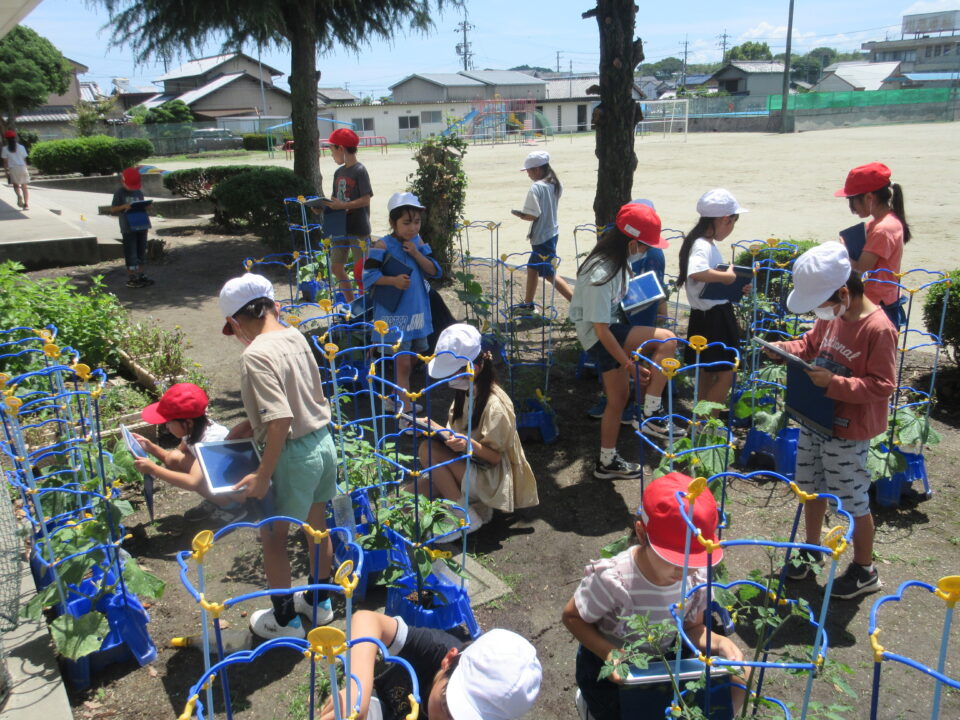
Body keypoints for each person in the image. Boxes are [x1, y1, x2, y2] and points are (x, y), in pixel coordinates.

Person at [766, 242, 896, 599]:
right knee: (810, 487)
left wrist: (835, 383)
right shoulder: (832, 316)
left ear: (843, 292)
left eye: (822, 303)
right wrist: (784, 350)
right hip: (816, 418)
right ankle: (812, 550)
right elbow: (810, 345)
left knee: (852, 498)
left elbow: (883, 386)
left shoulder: (878, 329)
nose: (820, 312)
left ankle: (865, 569)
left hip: (849, 430)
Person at [562, 472, 745, 720]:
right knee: (613, 711)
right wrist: (609, 653)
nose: (684, 571)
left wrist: (719, 642)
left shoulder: (696, 578)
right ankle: (589, 705)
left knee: (739, 679)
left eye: (693, 560)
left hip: (662, 661)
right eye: (673, 560)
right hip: (612, 665)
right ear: (641, 533)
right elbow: (572, 617)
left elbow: (692, 627)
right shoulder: (614, 580)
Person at [218, 273, 338, 638]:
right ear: (275, 306)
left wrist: (263, 475)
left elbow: (281, 419)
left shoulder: (254, 354)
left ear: (235, 321)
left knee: (273, 535)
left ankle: (285, 621)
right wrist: (251, 422)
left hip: (291, 455)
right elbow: (296, 395)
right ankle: (320, 603)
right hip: (322, 442)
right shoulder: (295, 335)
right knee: (317, 526)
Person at [568, 202, 680, 480]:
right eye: (646, 246)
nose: (647, 250)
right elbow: (601, 330)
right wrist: (629, 365)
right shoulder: (601, 273)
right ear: (632, 243)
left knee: (617, 400)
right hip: (601, 336)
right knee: (668, 340)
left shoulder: (618, 260)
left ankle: (606, 462)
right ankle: (652, 414)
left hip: (609, 329)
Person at [413, 324, 539, 533]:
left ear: (474, 368)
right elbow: (456, 434)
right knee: (411, 495)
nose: (449, 379)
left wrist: (468, 445)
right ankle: (472, 506)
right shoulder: (468, 391)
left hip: (490, 477)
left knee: (427, 450)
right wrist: (432, 427)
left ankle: (465, 515)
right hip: (468, 465)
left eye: (452, 373)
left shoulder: (495, 405)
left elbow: (495, 458)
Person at [320, 610, 542, 720]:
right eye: (446, 706)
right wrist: (358, 691)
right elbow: (367, 620)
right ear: (449, 661)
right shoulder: (436, 649)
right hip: (384, 706)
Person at [363, 192, 441, 411]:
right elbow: (367, 277)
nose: (412, 228)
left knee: (413, 357)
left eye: (416, 222)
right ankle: (405, 412)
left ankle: (394, 398)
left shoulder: (418, 242)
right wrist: (393, 281)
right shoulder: (382, 245)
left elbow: (434, 271)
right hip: (394, 314)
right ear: (393, 222)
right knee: (403, 362)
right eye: (406, 223)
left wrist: (416, 254)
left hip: (417, 312)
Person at [132, 383, 248, 523]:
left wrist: (153, 469)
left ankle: (232, 508)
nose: (166, 427)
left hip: (240, 490)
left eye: (169, 422)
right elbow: (172, 458)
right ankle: (217, 499)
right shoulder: (195, 429)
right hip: (223, 479)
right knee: (175, 458)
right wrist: (150, 447)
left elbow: (192, 482)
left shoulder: (209, 442)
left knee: (195, 476)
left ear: (188, 422)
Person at [676, 189, 750, 407]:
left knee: (706, 371)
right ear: (726, 219)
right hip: (715, 318)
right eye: (733, 223)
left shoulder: (701, 242)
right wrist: (727, 278)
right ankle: (711, 419)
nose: (731, 229)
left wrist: (735, 286)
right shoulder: (702, 244)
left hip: (704, 315)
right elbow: (697, 272)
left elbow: (706, 279)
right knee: (727, 371)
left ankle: (701, 419)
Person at [834, 162, 910, 328]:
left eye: (852, 200)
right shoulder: (882, 222)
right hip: (884, 298)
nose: (852, 207)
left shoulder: (882, 229)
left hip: (878, 305)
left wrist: (843, 251)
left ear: (869, 197)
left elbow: (861, 269)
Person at [512, 151, 573, 307]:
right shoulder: (555, 184)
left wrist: (521, 215)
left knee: (549, 273)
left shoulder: (536, 187)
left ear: (537, 169)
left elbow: (532, 215)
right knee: (532, 268)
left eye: (529, 171)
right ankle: (528, 303)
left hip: (542, 237)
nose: (528, 175)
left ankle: (579, 304)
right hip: (552, 232)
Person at [323, 127, 372, 303]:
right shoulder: (338, 172)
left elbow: (366, 199)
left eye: (332, 150)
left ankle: (366, 306)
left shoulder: (360, 170)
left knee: (361, 272)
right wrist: (322, 207)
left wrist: (344, 205)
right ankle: (352, 303)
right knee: (336, 267)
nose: (331, 154)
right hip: (340, 228)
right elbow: (335, 200)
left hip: (358, 228)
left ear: (341, 148)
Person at [108, 167, 154, 288]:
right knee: (131, 252)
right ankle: (132, 277)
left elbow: (141, 204)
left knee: (141, 250)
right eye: (130, 186)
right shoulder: (119, 193)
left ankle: (141, 274)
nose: (132, 188)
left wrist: (146, 207)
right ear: (123, 181)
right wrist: (124, 206)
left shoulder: (138, 192)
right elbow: (113, 209)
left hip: (141, 224)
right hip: (128, 227)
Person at [2, 130, 30, 210]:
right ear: (15, 137)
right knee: (24, 186)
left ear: (6, 139)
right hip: (22, 167)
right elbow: (24, 159)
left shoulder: (5, 149)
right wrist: (26, 168)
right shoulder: (21, 147)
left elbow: (5, 162)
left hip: (13, 168)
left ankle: (19, 196)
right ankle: (26, 204)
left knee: (16, 185)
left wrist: (6, 172)